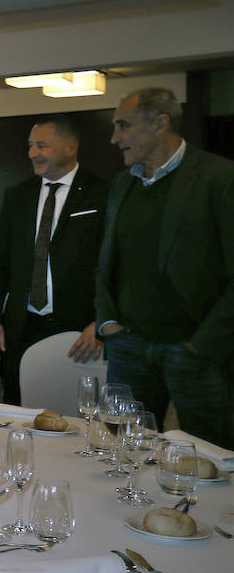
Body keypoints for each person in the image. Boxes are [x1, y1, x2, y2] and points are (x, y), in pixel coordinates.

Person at [97, 86, 234, 447]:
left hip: (194, 351)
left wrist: (199, 347)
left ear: (160, 123)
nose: (114, 139)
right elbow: (108, 260)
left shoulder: (219, 178)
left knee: (208, 458)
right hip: (128, 346)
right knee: (125, 450)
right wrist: (108, 322)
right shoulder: (122, 184)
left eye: (123, 126)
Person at [0, 117, 110, 404]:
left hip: (78, 329)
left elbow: (113, 266)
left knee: (76, 412)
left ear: (70, 147)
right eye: (30, 146)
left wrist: (101, 322)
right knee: (18, 409)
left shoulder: (102, 193)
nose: (32, 153)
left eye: (42, 146)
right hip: (21, 327)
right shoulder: (17, 195)